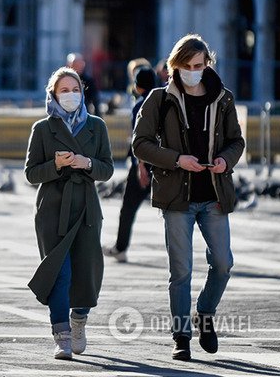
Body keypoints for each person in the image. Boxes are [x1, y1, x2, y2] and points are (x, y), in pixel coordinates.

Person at [132, 34, 245, 361]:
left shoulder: (223, 98)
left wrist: (226, 159)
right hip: (176, 197)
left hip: (214, 194)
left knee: (223, 263)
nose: (193, 71)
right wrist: (177, 159)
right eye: (187, 66)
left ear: (207, 64)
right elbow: (140, 144)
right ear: (175, 66)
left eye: (199, 65)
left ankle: (204, 312)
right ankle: (181, 336)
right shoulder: (159, 98)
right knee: (180, 270)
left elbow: (237, 141)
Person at [25, 67, 114, 360]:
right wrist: (58, 165)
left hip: (86, 208)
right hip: (52, 209)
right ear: (53, 95)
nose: (71, 95)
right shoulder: (42, 128)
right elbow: (31, 174)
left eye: (75, 90)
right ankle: (61, 334)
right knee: (59, 274)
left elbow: (107, 169)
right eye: (64, 91)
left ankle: (79, 320)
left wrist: (86, 163)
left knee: (86, 272)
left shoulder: (97, 126)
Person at [103, 66, 157, 262]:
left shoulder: (139, 105)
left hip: (144, 164)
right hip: (165, 163)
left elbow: (139, 137)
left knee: (128, 209)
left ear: (138, 86)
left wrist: (141, 165)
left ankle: (121, 247)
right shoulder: (164, 100)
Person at [66, 53, 101, 117]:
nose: (78, 66)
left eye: (80, 63)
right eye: (75, 64)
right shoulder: (64, 81)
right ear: (69, 65)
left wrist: (98, 116)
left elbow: (95, 99)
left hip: (84, 115)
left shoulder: (88, 80)